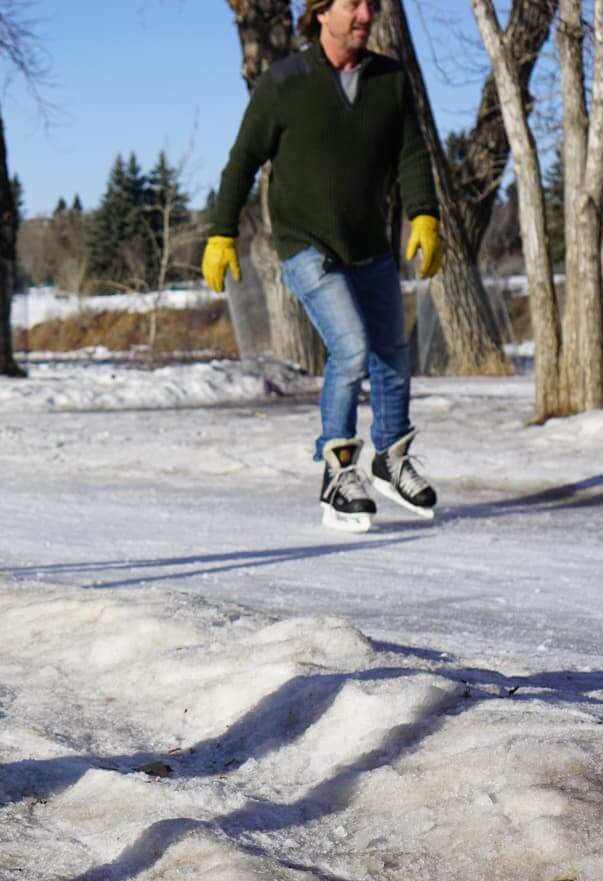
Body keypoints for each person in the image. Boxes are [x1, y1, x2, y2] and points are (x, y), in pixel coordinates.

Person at [202, 0, 442, 533]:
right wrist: (221, 233)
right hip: (305, 244)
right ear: (320, 11)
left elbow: (411, 154)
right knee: (351, 347)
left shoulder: (390, 79)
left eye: (371, 4)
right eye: (352, 3)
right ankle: (337, 475)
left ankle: (390, 457)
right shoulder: (285, 82)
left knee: (393, 354)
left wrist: (425, 214)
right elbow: (242, 160)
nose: (365, 13)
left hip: (369, 243)